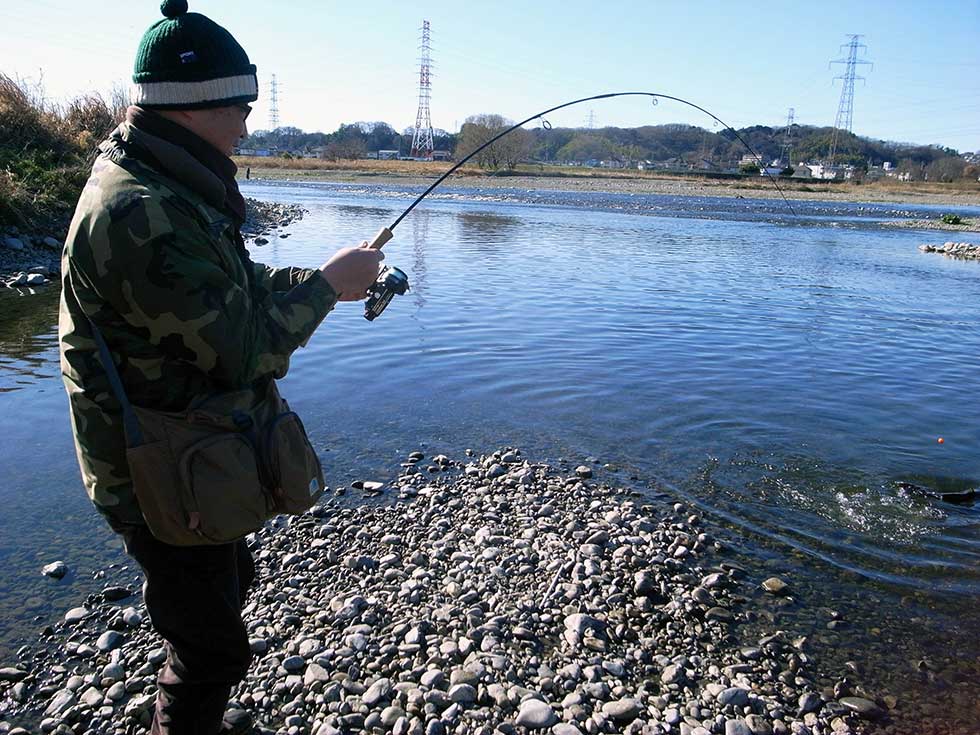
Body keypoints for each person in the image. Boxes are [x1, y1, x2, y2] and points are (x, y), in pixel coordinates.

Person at [57, 1, 382, 732]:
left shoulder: (167, 180)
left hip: (186, 445)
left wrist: (326, 274)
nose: (247, 122)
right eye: (240, 105)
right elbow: (242, 349)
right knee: (211, 644)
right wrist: (331, 286)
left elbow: (234, 288)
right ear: (194, 106)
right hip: (151, 467)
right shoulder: (139, 212)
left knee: (229, 581)